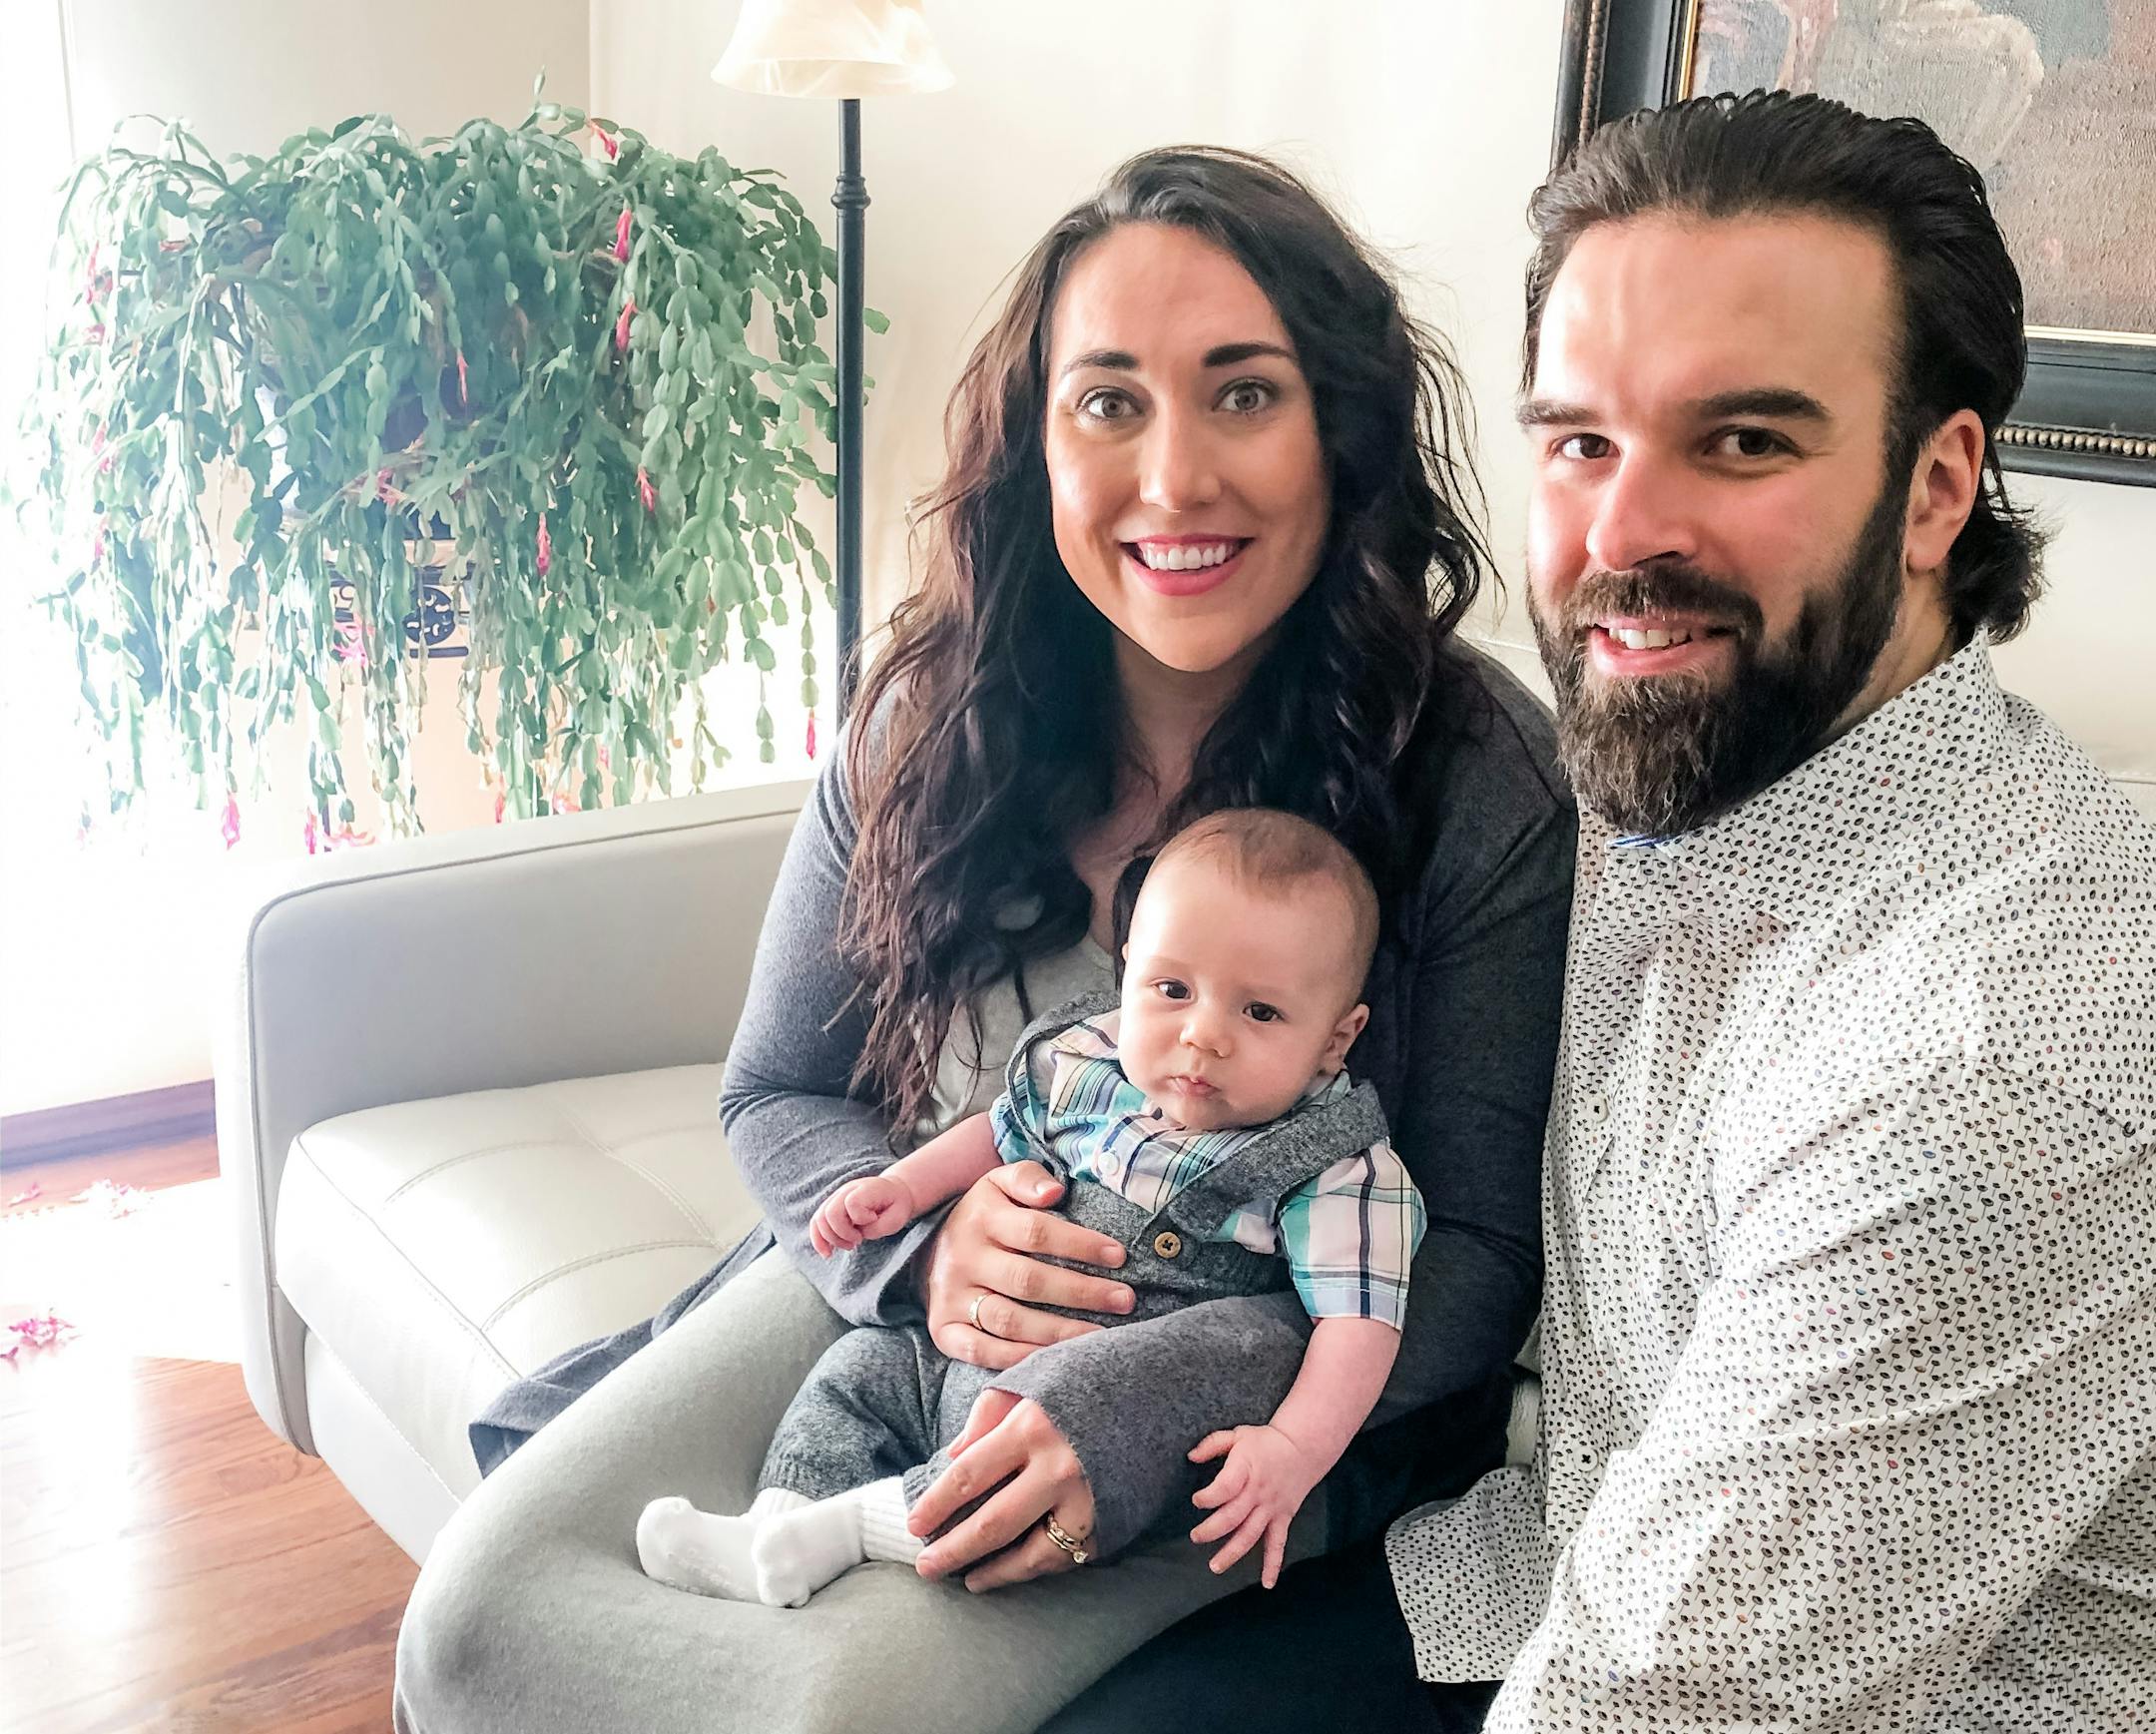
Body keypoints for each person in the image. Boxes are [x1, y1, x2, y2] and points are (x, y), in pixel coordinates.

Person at [392, 146, 1575, 1733]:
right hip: (885, 1301)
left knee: (834, 1707)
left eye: (1242, 395)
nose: (1172, 481)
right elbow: (777, 1093)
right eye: (1109, 403)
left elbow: (1483, 1264)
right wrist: (925, 1251)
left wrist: (1147, 1405)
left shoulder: (1477, 778)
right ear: (1036, 440)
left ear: (1339, 432)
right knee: (478, 1626)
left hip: (1241, 1389)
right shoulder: (925, 714)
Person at [1052, 89, 2156, 1733]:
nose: (1623, 535)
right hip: (1540, 1556)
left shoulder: (1991, 1057)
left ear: (1937, 491)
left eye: (1744, 440)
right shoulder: (1688, 775)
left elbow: (1666, 1698)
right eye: (1580, 441)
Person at [636, 809, 1424, 1608]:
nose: (1202, 1035)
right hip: (971, 1339)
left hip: (1101, 1382)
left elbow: (1360, 1322)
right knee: (860, 1370)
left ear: (1336, 1036)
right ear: (1128, 971)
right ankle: (779, 1519)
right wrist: (904, 1191)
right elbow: (999, 1133)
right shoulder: (1089, 1062)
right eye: (1173, 989)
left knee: (1066, 1418)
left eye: (1260, 1012)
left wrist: (1294, 1446)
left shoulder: (1336, 1164)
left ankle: (848, 1531)